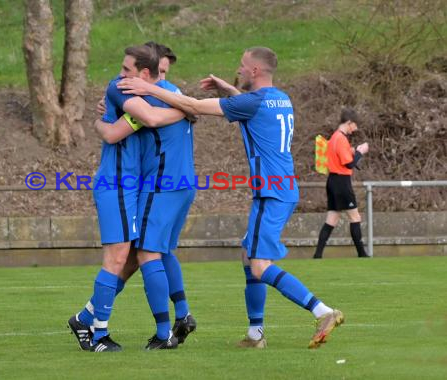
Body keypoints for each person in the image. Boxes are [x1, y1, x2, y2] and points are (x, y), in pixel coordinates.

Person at [117, 46, 345, 349]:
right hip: (283, 187)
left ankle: (322, 311)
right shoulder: (280, 98)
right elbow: (252, 107)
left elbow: (194, 107)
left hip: (272, 190)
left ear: (255, 71)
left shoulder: (252, 102)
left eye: (242, 65)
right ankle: (255, 335)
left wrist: (148, 88)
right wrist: (229, 89)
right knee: (247, 255)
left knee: (260, 265)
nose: (238, 69)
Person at [67, 44, 185, 353]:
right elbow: (119, 131)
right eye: (122, 69)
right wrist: (187, 109)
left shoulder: (150, 93)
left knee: (131, 260)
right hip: (117, 184)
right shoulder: (119, 89)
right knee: (117, 258)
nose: (120, 74)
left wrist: (184, 106)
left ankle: (85, 318)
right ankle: (97, 334)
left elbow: (154, 112)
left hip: (133, 187)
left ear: (144, 74)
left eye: (126, 70)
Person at [313, 108, 369, 259]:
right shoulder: (341, 139)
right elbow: (349, 164)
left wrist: (353, 150)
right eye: (355, 125)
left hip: (332, 181)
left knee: (331, 219)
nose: (355, 129)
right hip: (341, 182)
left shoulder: (334, 138)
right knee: (355, 217)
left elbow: (340, 156)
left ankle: (317, 255)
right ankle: (362, 254)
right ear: (349, 123)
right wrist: (360, 152)